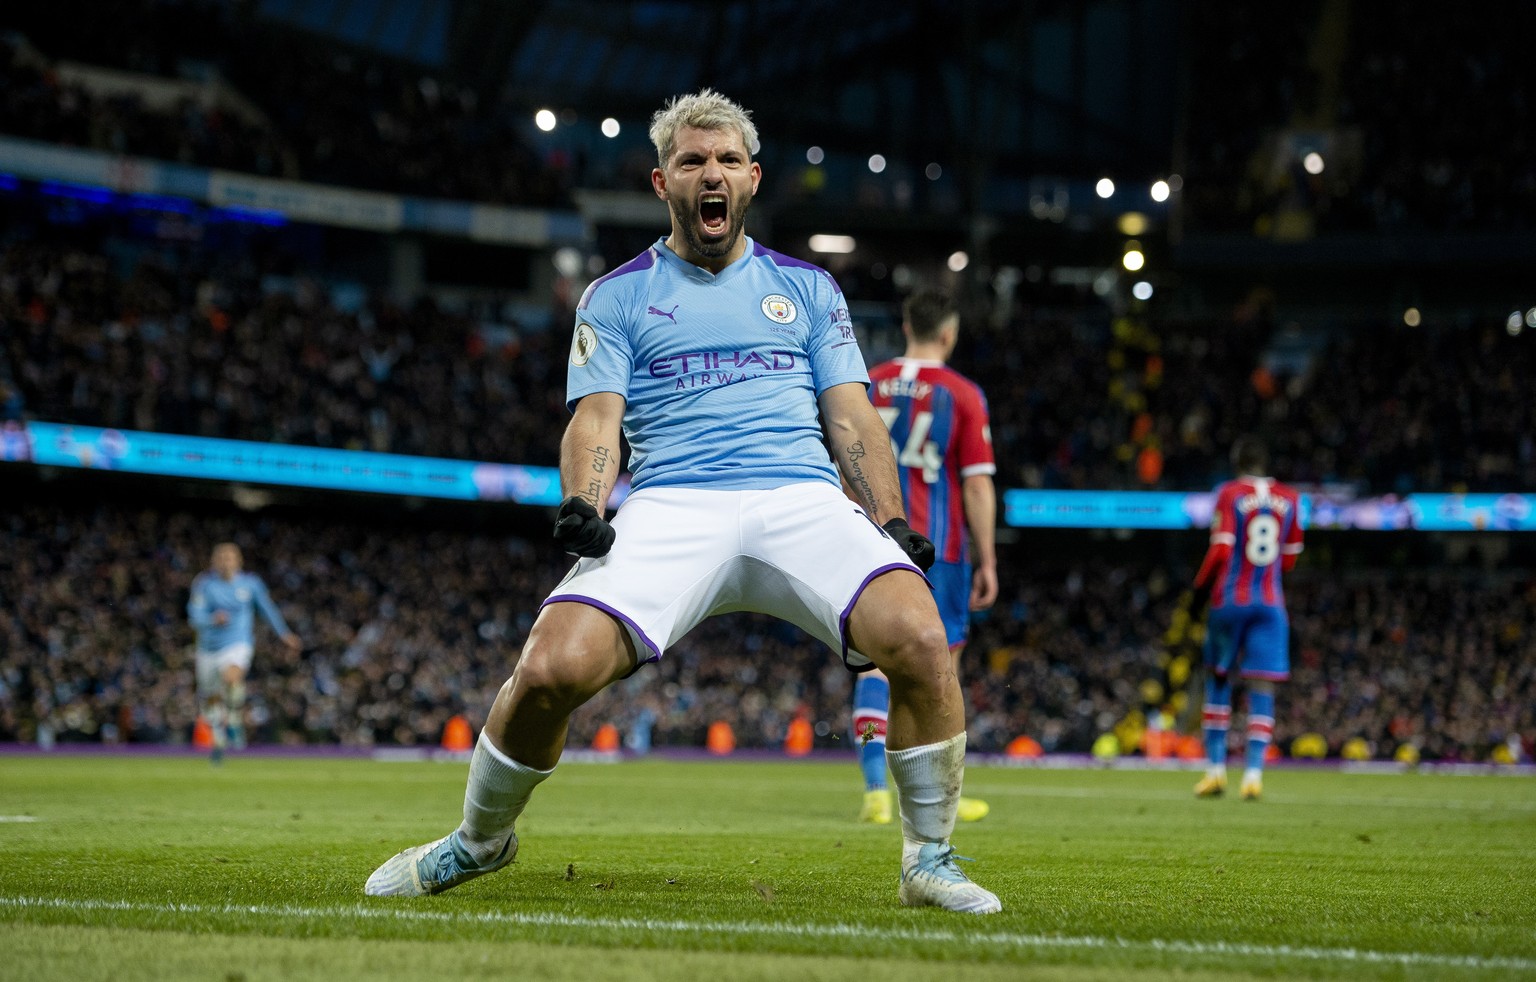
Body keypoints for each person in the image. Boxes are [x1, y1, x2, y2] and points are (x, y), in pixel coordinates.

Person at [365, 89, 1000, 914]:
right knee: (551, 667)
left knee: (918, 634)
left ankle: (929, 860)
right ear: (661, 181)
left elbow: (851, 415)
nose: (713, 174)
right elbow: (597, 419)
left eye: (728, 161)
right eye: (694, 161)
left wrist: (888, 519)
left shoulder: (808, 289)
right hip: (672, 503)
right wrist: (585, 501)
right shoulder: (616, 295)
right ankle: (478, 842)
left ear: (753, 179)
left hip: (798, 496)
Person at [852, 289, 997, 826]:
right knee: (940, 668)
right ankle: (940, 797)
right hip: (941, 550)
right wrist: (989, 560)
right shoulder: (962, 393)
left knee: (872, 667)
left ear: (907, 324)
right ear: (949, 332)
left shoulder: (866, 382)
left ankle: (873, 790)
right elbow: (977, 486)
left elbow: (843, 464)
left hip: (868, 542)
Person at [1187, 437, 1303, 800]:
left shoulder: (1229, 493)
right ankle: (1253, 775)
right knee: (1262, 687)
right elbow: (1290, 557)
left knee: (1218, 678)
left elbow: (1220, 549)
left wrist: (1198, 593)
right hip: (1271, 604)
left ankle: (1216, 770)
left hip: (1230, 601)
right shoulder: (1291, 498)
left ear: (1237, 461)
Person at [187, 542, 301, 760]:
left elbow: (267, 608)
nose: (225, 562)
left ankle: (234, 721)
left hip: (237, 643)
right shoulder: (204, 584)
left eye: (229, 558)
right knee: (211, 699)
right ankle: (219, 738)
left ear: (238, 561)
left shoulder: (250, 584)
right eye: (220, 558)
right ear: (213, 561)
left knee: (232, 677)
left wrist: (284, 634)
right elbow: (194, 615)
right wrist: (212, 619)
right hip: (207, 649)